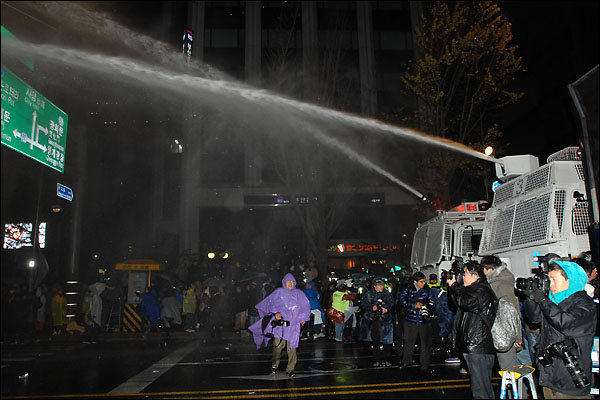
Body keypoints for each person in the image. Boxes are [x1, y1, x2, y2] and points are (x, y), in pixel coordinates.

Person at [522, 259, 596, 399]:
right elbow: (534, 318)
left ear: (571, 279)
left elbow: (565, 324)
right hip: (550, 377)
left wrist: (543, 301)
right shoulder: (553, 301)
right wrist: (532, 296)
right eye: (549, 280)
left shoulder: (584, 304)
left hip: (571, 380)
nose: (551, 284)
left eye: (555, 279)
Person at [447, 261, 497, 399]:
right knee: (480, 386)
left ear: (474, 275)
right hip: (474, 344)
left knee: (481, 388)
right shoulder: (473, 289)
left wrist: (455, 286)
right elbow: (456, 301)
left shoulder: (482, 290)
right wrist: (452, 288)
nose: (463, 277)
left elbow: (465, 302)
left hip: (478, 345)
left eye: (465, 274)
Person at [248, 273, 311, 377]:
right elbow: (272, 304)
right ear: (284, 283)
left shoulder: (299, 294)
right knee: (277, 347)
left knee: (292, 348)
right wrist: (276, 313)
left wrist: (303, 318)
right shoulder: (279, 292)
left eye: (292, 282)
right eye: (288, 282)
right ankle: (275, 364)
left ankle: (290, 369)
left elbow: (305, 306)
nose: (290, 284)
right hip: (280, 327)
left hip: (293, 326)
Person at [480, 255, 523, 372]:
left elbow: (513, 312)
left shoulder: (501, 284)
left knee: (509, 370)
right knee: (511, 369)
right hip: (504, 331)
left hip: (506, 333)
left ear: (489, 269)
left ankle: (517, 390)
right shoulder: (500, 281)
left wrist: (518, 337)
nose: (483, 272)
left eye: (483, 269)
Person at [397, 271, 436, 373]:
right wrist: (413, 305)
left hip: (424, 320)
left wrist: (427, 310)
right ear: (415, 282)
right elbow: (402, 301)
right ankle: (406, 362)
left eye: (424, 281)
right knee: (409, 342)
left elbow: (433, 302)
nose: (424, 284)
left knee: (425, 344)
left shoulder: (428, 290)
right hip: (410, 319)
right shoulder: (407, 289)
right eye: (422, 282)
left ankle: (425, 365)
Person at [360, 277, 395, 367]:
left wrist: (386, 309)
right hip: (374, 321)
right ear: (374, 286)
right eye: (379, 285)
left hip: (386, 320)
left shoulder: (388, 295)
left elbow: (393, 305)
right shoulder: (369, 294)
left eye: (382, 285)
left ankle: (386, 359)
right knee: (376, 341)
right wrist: (372, 308)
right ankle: (377, 359)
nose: (381, 287)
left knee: (387, 342)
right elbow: (364, 305)